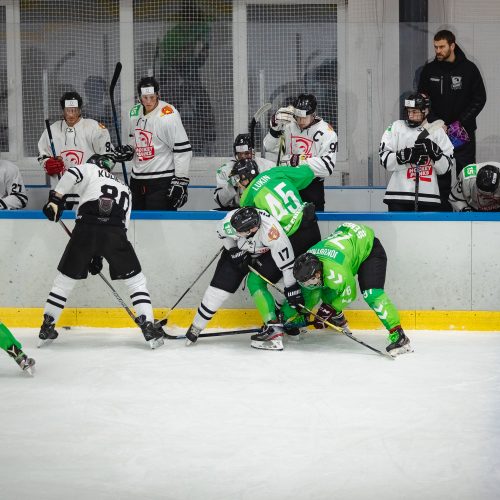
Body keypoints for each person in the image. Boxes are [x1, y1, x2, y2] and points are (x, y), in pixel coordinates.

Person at [184, 158, 328, 348]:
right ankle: (293, 321)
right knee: (300, 279)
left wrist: (235, 249)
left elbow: (282, 254)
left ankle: (274, 327)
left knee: (258, 280)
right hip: (310, 225)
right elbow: (308, 174)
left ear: (246, 178)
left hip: (289, 237)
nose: (238, 185)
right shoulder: (276, 172)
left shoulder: (248, 202)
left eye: (239, 181)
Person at [39, 153, 164, 349]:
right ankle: (148, 325)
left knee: (64, 280)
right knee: (136, 282)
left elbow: (72, 172)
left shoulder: (90, 169)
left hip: (86, 226)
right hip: (116, 230)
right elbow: (123, 226)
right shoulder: (126, 188)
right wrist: (100, 253)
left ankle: (47, 325)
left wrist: (56, 199)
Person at [286, 222, 413, 357]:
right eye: (304, 282)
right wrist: (303, 314)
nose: (308, 285)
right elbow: (311, 292)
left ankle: (399, 336)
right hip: (348, 244)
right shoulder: (310, 262)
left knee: (372, 294)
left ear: (317, 273)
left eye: (311, 280)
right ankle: (337, 317)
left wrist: (330, 308)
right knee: (322, 288)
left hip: (369, 250)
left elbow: (350, 293)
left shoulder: (335, 272)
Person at [185, 207, 303, 351]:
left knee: (282, 285)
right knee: (219, 290)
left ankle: (279, 323)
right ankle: (197, 326)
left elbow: (287, 265)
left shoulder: (272, 233)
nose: (235, 233)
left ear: (253, 229)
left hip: (267, 255)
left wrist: (291, 288)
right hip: (239, 252)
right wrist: (233, 250)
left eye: (239, 232)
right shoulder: (231, 221)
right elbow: (222, 233)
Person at [418, 29, 486, 210]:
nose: (437, 51)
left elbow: (480, 99)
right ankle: (443, 211)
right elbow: (423, 99)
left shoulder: (469, 69)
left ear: (452, 46)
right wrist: (437, 123)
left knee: (466, 171)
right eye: (435, 47)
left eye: (441, 47)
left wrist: (460, 123)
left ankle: (468, 208)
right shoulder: (429, 69)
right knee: (441, 171)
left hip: (462, 131)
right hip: (439, 131)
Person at [118, 76, 192, 211]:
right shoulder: (133, 113)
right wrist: (129, 149)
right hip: (137, 180)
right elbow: (134, 140)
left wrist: (181, 181)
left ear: (158, 94)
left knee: (160, 227)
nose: (148, 101)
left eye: (152, 97)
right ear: (139, 97)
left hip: (161, 181)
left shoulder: (168, 115)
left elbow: (182, 150)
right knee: (136, 228)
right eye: (145, 98)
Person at [263, 93, 338, 211]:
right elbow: (268, 146)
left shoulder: (327, 132)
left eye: (305, 117)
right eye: (298, 117)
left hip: (312, 188)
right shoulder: (289, 125)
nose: (300, 120)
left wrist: (298, 160)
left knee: (312, 226)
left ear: (313, 115)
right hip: (287, 186)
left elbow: (327, 167)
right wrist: (274, 128)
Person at [379, 92, 453, 211]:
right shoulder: (396, 127)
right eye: (409, 111)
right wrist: (404, 156)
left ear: (426, 111)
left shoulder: (437, 131)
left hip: (429, 197)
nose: (411, 115)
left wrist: (436, 154)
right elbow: (384, 158)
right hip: (398, 195)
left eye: (415, 112)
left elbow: (446, 167)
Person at [37, 91, 112, 201]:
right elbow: (42, 156)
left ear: (80, 109)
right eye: (68, 110)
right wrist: (47, 164)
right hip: (60, 192)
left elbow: (108, 156)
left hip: (89, 191)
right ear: (63, 110)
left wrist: (101, 166)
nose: (71, 114)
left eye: (74, 110)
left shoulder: (94, 128)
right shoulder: (52, 130)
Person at [214, 133, 275, 210]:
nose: (243, 157)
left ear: (253, 151)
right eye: (239, 154)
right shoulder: (225, 170)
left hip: (262, 209)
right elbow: (221, 202)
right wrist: (232, 184)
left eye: (246, 153)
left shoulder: (268, 166)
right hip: (236, 210)